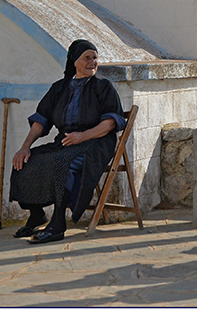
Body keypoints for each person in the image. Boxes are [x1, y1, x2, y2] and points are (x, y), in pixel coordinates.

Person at [9, 39, 126, 244]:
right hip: (64, 142)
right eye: (86, 58)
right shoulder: (59, 88)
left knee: (61, 165)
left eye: (95, 58)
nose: (92, 62)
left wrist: (83, 135)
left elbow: (109, 123)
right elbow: (41, 120)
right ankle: (37, 214)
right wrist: (24, 147)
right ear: (74, 61)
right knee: (26, 162)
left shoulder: (103, 86)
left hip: (95, 143)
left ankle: (58, 224)